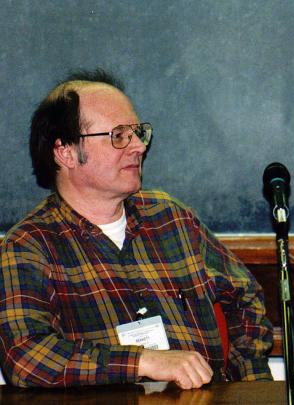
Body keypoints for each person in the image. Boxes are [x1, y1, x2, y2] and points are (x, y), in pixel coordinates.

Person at [0, 70, 273, 388]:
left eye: (138, 132)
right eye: (118, 135)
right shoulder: (29, 246)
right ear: (66, 152)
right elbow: (25, 356)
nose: (138, 147)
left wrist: (246, 385)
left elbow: (245, 299)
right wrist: (142, 361)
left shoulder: (171, 219)